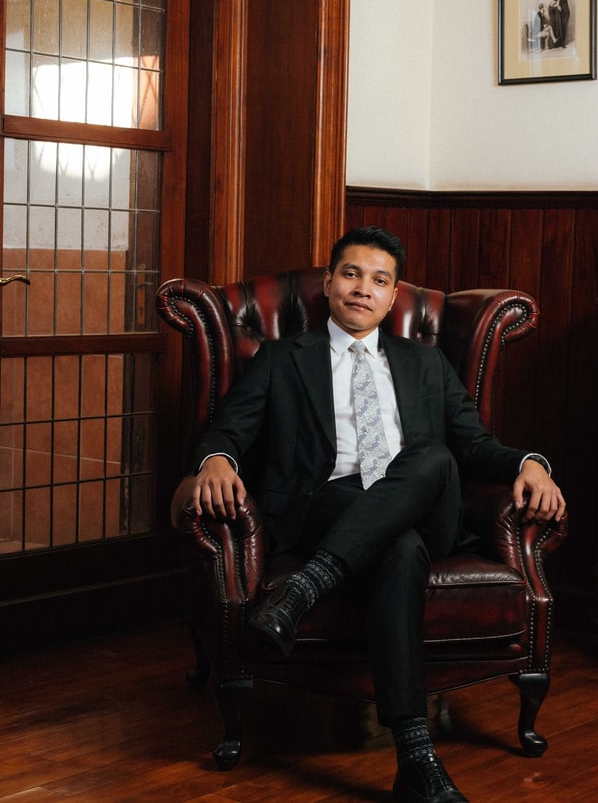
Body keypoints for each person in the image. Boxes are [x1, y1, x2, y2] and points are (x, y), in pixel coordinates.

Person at [189, 226, 566, 803]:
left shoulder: (426, 362)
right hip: (331, 504)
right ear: (328, 283)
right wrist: (216, 460)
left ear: (392, 298)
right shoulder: (283, 358)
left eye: (380, 280)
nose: (363, 288)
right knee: (399, 548)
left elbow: (474, 445)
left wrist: (530, 463)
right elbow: (228, 430)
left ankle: (303, 590)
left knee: (433, 456)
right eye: (352, 273)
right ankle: (415, 756)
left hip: (427, 504)